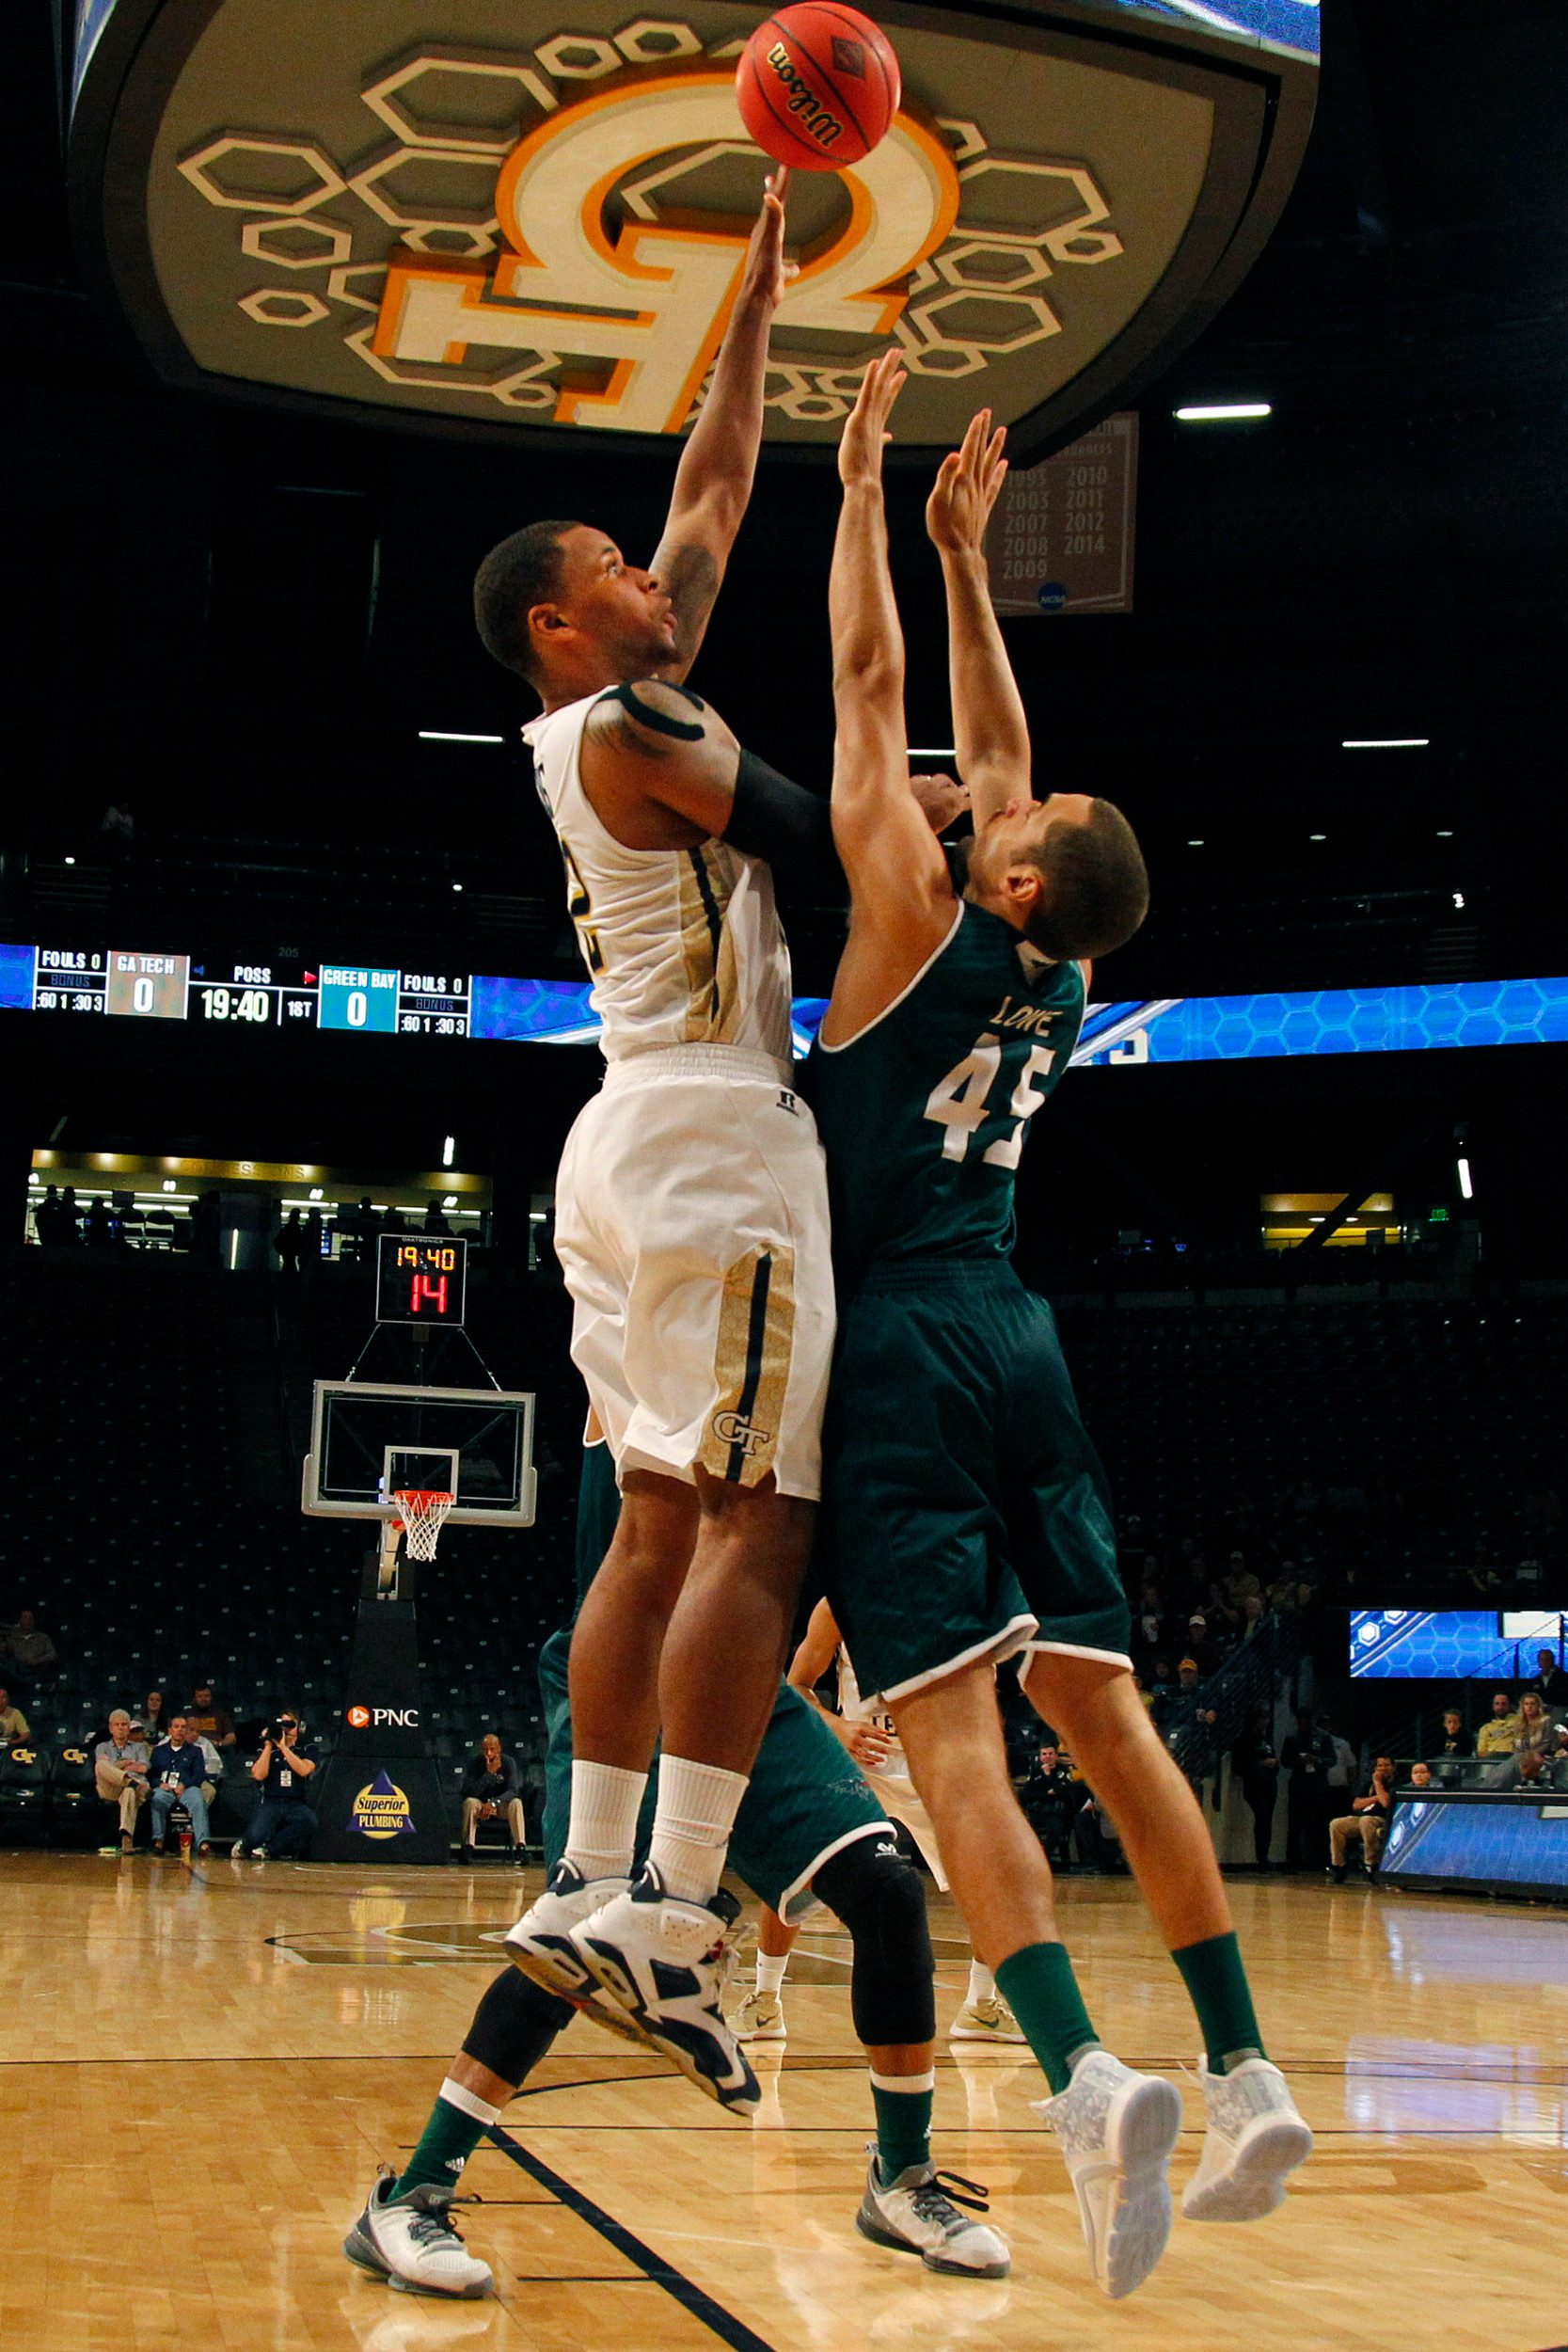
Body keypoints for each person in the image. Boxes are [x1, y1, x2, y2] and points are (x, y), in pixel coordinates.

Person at [803, 364, 1309, 2299]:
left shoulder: (903, 926)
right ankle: (1242, 2055)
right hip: (1025, 1325)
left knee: (949, 1743)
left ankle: (1082, 2071)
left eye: (1023, 810)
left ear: (1010, 873)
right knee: (1098, 1703)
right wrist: (965, 551)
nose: (1005, 788)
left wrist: (857, 502)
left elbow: (866, 703)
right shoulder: (1057, 951)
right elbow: (988, 740)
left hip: (909, 1340)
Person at [494, 169, 852, 2120]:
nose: (654, 566)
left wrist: (761, 281)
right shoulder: (629, 728)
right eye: (613, 568)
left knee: (649, 1519)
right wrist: (932, 807)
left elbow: (710, 493)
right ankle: (682, 1896)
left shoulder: (598, 707)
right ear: (560, 622)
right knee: (755, 1522)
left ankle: (585, 1858)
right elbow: (807, 822)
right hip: (715, 1135)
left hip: (620, 1139)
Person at [346, 1439, 1008, 2299]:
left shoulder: (794, 1362)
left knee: (885, 1887)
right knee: (580, 1938)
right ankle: (414, 2193)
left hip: (743, 1682)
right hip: (631, 1671)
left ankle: (903, 2178)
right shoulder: (640, 1333)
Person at [728, 1597, 1023, 2049]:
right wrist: (835, 1726)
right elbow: (797, 1687)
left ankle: (980, 2007)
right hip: (860, 1758)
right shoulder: (837, 1606)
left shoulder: (958, 1595)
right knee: (801, 1865)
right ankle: (765, 2001)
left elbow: (983, 1693)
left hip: (936, 1759)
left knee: (993, 1875)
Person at [235, 1711, 319, 1857]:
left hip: (295, 1801)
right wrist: (269, 1745)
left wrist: (283, 1747)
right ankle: (246, 1845)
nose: (286, 1730)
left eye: (290, 1725)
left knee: (309, 1821)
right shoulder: (268, 1749)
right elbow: (258, 1775)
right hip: (271, 1800)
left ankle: (270, 1848)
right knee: (256, 1836)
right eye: (282, 1725)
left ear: (299, 1727)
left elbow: (304, 1770)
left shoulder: (307, 1748)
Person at [1280, 1707, 1337, 1869]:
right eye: (1300, 1720)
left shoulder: (1323, 1737)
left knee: (1321, 1824)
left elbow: (1332, 1760)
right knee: (1295, 1825)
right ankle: (1293, 1862)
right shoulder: (1291, 1738)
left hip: (1319, 1785)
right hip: (1298, 1785)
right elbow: (1285, 1761)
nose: (1302, 1722)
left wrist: (1317, 1760)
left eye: (1305, 1719)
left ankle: (1324, 1862)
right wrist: (1299, 1761)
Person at [148, 1714, 212, 1854]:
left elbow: (199, 1775)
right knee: (157, 1798)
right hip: (165, 1788)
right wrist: (159, 1784)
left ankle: (203, 1843)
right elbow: (152, 1774)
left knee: (198, 1799)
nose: (180, 1730)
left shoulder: (195, 1751)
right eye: (176, 1727)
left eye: (183, 1727)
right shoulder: (158, 1751)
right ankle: (158, 1840)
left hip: (187, 1788)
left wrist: (185, 1785)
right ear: (170, 1730)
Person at [459, 1735, 527, 1861]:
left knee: (516, 1803)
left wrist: (494, 1803)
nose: (488, 1753)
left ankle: (521, 1848)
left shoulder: (508, 1762)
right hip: (481, 1805)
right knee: (469, 1802)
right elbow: (471, 1792)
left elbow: (513, 1790)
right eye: (485, 1750)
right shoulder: (475, 1763)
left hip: (500, 1805)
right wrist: (488, 1774)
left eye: (492, 1749)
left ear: (499, 1749)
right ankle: (467, 1848)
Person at [1230, 1704, 1280, 1868]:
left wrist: (1273, 1765)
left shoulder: (1266, 1739)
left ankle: (1264, 1856)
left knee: (1267, 1821)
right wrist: (1260, 1764)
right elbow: (1238, 1766)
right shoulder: (1244, 1739)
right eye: (1262, 1718)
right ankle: (1261, 1858)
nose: (1265, 1722)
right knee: (1262, 1818)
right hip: (1254, 1785)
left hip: (1269, 1785)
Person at [1328, 1756, 1394, 1881]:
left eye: (1387, 1765)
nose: (1383, 1768)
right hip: (1363, 1819)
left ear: (1393, 1768)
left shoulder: (1395, 1784)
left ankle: (1371, 1863)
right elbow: (1356, 1804)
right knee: (1337, 1824)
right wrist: (1376, 1797)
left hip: (1384, 1820)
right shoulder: (1368, 1785)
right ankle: (1339, 1865)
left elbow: (1386, 1803)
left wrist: (1378, 1784)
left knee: (1367, 1821)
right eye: (1379, 1766)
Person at [94, 1709, 150, 1852]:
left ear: (128, 1728)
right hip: (111, 1788)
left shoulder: (140, 1747)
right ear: (111, 1728)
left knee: (129, 1792)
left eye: (124, 1725)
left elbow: (143, 1768)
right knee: (100, 1765)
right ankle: (131, 1782)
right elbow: (105, 1767)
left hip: (132, 1789)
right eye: (117, 1725)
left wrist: (117, 1764)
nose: (120, 1728)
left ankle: (127, 1839)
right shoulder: (102, 1747)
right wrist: (129, 1763)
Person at [2, 1607, 57, 1689]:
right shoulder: (11, 1639)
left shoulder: (43, 1637)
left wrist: (38, 1660)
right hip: (18, 1674)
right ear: (19, 1621)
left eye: (31, 1618)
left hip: (39, 1671)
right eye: (25, 1618)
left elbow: (53, 1654)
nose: (28, 1621)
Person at [186, 1686, 236, 1750]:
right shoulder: (187, 1714)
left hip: (217, 1750)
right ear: (194, 1699)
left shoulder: (220, 1714)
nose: (203, 1699)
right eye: (200, 1696)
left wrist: (220, 1744)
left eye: (207, 1696)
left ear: (211, 1697)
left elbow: (231, 1737)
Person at [1475, 1691, 1520, 1757]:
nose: (1500, 1707)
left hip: (1512, 1758)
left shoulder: (1518, 1721)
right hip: (1492, 1760)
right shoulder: (1486, 1728)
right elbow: (1480, 1753)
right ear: (1493, 1706)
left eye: (1504, 1704)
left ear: (1509, 1706)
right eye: (1497, 1704)